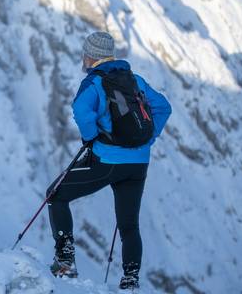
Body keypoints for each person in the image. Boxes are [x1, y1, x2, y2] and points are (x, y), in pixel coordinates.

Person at [47, 31, 171, 290]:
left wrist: (91, 138)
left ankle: (65, 261)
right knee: (129, 224)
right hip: (139, 163)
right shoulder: (134, 80)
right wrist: (148, 139)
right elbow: (163, 107)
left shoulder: (94, 82)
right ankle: (130, 281)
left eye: (85, 54)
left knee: (56, 194)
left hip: (108, 160)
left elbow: (81, 111)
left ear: (90, 56)